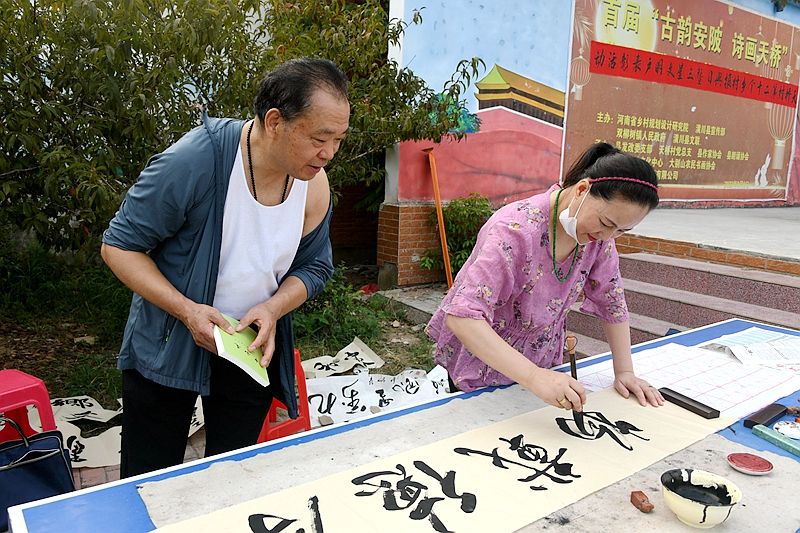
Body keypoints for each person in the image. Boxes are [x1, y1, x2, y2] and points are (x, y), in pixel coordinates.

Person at [101, 58, 350, 477]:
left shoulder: (314, 183)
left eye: (339, 140)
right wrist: (187, 310)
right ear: (274, 121)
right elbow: (119, 246)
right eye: (319, 138)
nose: (328, 154)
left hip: (248, 347)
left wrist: (273, 308)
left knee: (229, 477)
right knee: (149, 481)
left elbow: (315, 267)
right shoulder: (195, 161)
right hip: (169, 342)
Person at [426, 142, 665, 412]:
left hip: (541, 359)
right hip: (484, 357)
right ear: (583, 190)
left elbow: (612, 300)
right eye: (606, 223)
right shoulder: (514, 230)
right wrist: (533, 377)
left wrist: (624, 371)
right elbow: (463, 318)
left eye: (622, 230)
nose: (607, 236)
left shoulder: (598, 239)